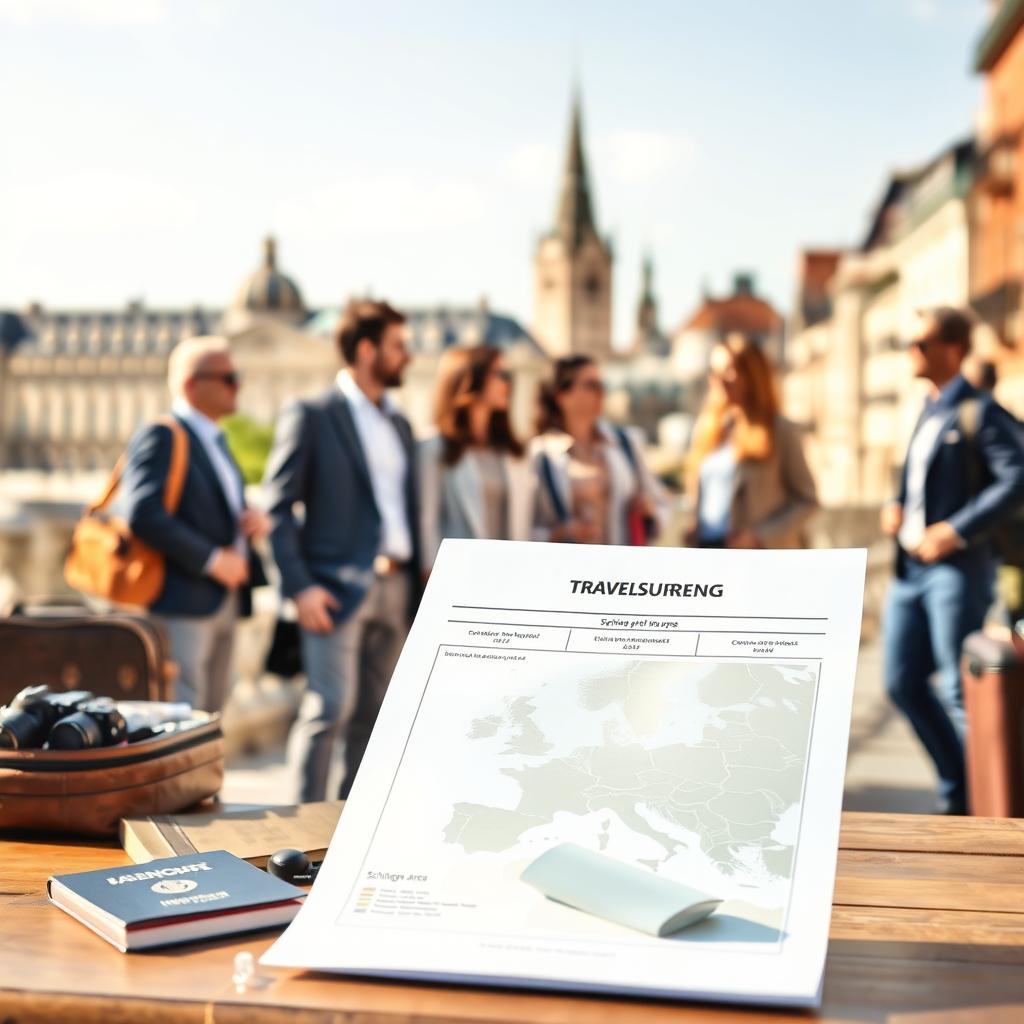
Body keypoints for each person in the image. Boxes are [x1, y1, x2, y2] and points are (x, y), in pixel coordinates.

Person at [263, 299, 420, 803]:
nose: (409, 357)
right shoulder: (312, 414)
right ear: (367, 349)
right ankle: (296, 840)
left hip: (396, 585)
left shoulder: (399, 424)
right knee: (329, 709)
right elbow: (276, 508)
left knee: (376, 717)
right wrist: (299, 587)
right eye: (399, 346)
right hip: (332, 587)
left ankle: (349, 830)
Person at [881, 307, 1024, 815]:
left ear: (953, 350)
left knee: (958, 690)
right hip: (908, 570)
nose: (911, 352)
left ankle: (990, 809)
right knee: (900, 681)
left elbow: (1017, 477)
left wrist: (956, 530)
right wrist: (895, 503)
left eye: (920, 343)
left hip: (955, 571)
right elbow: (914, 475)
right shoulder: (929, 406)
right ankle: (959, 786)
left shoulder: (980, 410)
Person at [121, 335, 268, 711]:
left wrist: (248, 521)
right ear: (191, 384)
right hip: (182, 600)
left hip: (222, 600)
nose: (239, 385)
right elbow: (142, 512)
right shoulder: (163, 434)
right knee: (181, 722)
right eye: (228, 377)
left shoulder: (215, 440)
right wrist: (212, 559)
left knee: (209, 722)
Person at [685, 334, 817, 549]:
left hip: (757, 555)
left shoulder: (779, 430)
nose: (719, 380)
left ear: (751, 375)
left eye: (728, 371)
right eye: (714, 372)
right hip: (709, 549)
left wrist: (760, 536)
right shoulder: (709, 429)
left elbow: (807, 500)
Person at [419, 346, 535, 572]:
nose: (508, 383)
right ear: (470, 379)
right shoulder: (434, 447)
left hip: (510, 577)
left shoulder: (514, 452)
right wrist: (431, 578)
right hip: (458, 579)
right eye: (500, 374)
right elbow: (427, 522)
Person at [531, 355, 665, 544]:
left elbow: (660, 503)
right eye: (591, 385)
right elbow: (522, 526)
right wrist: (558, 534)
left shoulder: (626, 442)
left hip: (619, 566)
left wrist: (648, 509)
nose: (601, 392)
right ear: (562, 396)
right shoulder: (539, 455)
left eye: (602, 385)